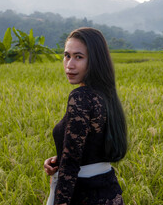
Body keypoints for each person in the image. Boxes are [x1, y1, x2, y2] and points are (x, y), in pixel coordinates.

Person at [44, 27, 128, 205]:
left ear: (95, 61)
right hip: (109, 191)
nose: (70, 65)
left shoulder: (80, 96)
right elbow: (91, 145)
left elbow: (71, 166)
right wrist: (60, 158)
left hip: (83, 194)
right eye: (67, 55)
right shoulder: (106, 95)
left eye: (79, 57)